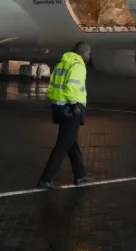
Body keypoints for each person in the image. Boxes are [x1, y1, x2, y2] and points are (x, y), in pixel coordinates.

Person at [37, 42, 94, 189]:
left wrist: (56, 102)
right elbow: (71, 88)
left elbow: (51, 87)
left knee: (72, 143)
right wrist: (75, 105)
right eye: (89, 53)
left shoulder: (61, 64)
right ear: (83, 53)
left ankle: (80, 176)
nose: (89, 56)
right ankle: (46, 178)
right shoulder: (78, 66)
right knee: (63, 145)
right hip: (71, 109)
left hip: (59, 107)